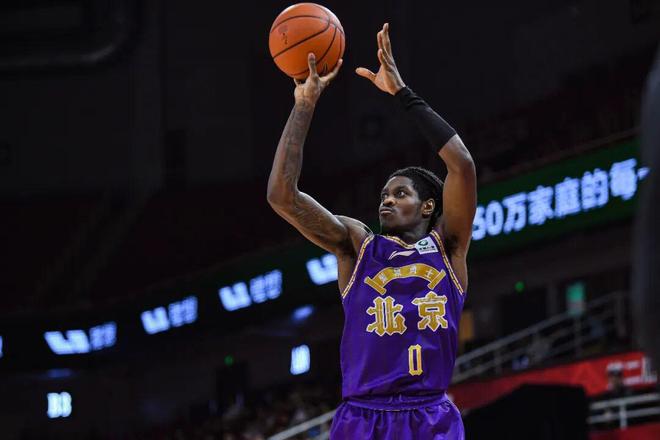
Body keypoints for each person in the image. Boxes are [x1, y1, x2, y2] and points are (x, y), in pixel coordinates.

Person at [267, 23, 476, 439]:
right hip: (364, 418)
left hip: (430, 417)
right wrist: (304, 106)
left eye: (400, 193)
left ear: (428, 206)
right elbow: (282, 196)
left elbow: (462, 164)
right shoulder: (358, 246)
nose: (387, 201)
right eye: (383, 195)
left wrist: (401, 92)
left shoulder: (449, 248)